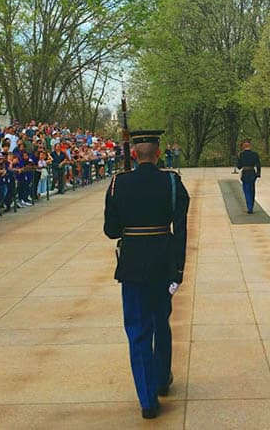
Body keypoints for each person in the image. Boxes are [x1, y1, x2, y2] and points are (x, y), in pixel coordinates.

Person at [104, 130, 189, 420]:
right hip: (163, 262)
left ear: (133, 154)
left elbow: (111, 230)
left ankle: (147, 398)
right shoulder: (172, 182)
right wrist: (179, 268)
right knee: (160, 321)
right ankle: (162, 378)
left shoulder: (118, 183)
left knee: (138, 329)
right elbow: (180, 230)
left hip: (132, 264)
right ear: (158, 151)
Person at [236, 139, 261, 214]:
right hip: (252, 173)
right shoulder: (255, 154)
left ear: (243, 147)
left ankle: (249, 207)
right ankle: (251, 206)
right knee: (252, 190)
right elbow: (258, 165)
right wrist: (258, 173)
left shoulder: (241, 154)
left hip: (245, 173)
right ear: (250, 146)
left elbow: (239, 166)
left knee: (246, 191)